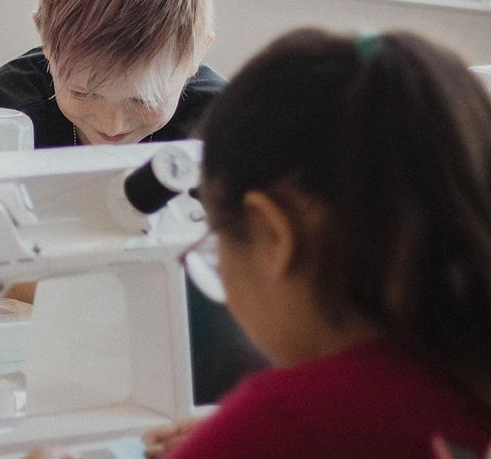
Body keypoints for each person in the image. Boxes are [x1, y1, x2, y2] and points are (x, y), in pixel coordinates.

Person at [147, 29, 491, 458]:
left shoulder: (283, 423)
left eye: (217, 244)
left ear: (272, 234)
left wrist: (245, 436)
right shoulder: (459, 382)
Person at [0, 0, 265, 402]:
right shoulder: (7, 114)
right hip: (49, 356)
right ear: (45, 36)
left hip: (187, 367)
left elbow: (241, 284)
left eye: (142, 101)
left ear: (194, 56)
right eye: (83, 93)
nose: (111, 125)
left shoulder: (221, 131)